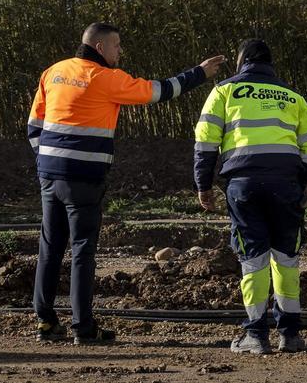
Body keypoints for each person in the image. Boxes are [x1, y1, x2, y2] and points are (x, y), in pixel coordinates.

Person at [28, 22, 225, 344]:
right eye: (117, 45)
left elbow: (34, 124)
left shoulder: (54, 71)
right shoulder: (106, 78)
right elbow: (159, 91)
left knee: (50, 247)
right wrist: (199, 73)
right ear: (100, 47)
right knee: (82, 251)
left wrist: (44, 162)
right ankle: (83, 328)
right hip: (84, 178)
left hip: (49, 175)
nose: (121, 51)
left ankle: (46, 322)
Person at [193, 39, 307, 355]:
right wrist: (296, 181)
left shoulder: (224, 91)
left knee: (253, 259)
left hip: (243, 184)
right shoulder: (293, 97)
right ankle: (290, 335)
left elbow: (205, 142)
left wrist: (203, 185)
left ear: (241, 62)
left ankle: (256, 336)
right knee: (287, 258)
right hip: (285, 185)